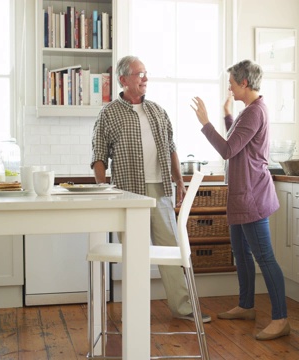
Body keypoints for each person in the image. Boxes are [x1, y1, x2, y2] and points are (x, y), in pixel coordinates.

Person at [91, 55, 211, 323]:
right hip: (127, 191)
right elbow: (99, 155)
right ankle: (135, 310)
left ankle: (184, 307)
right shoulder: (109, 113)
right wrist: (102, 188)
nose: (144, 78)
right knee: (133, 252)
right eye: (138, 74)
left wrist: (179, 180)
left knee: (171, 249)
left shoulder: (157, 110)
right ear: (123, 80)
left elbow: (171, 149)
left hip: (160, 189)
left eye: (145, 73)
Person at [190, 59, 289, 340]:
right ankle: (246, 305)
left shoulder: (255, 112)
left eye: (232, 82)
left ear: (244, 82)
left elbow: (228, 149)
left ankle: (281, 318)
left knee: (265, 258)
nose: (230, 87)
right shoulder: (249, 112)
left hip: (252, 198)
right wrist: (226, 115)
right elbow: (241, 141)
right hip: (242, 196)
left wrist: (206, 122)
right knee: (242, 255)